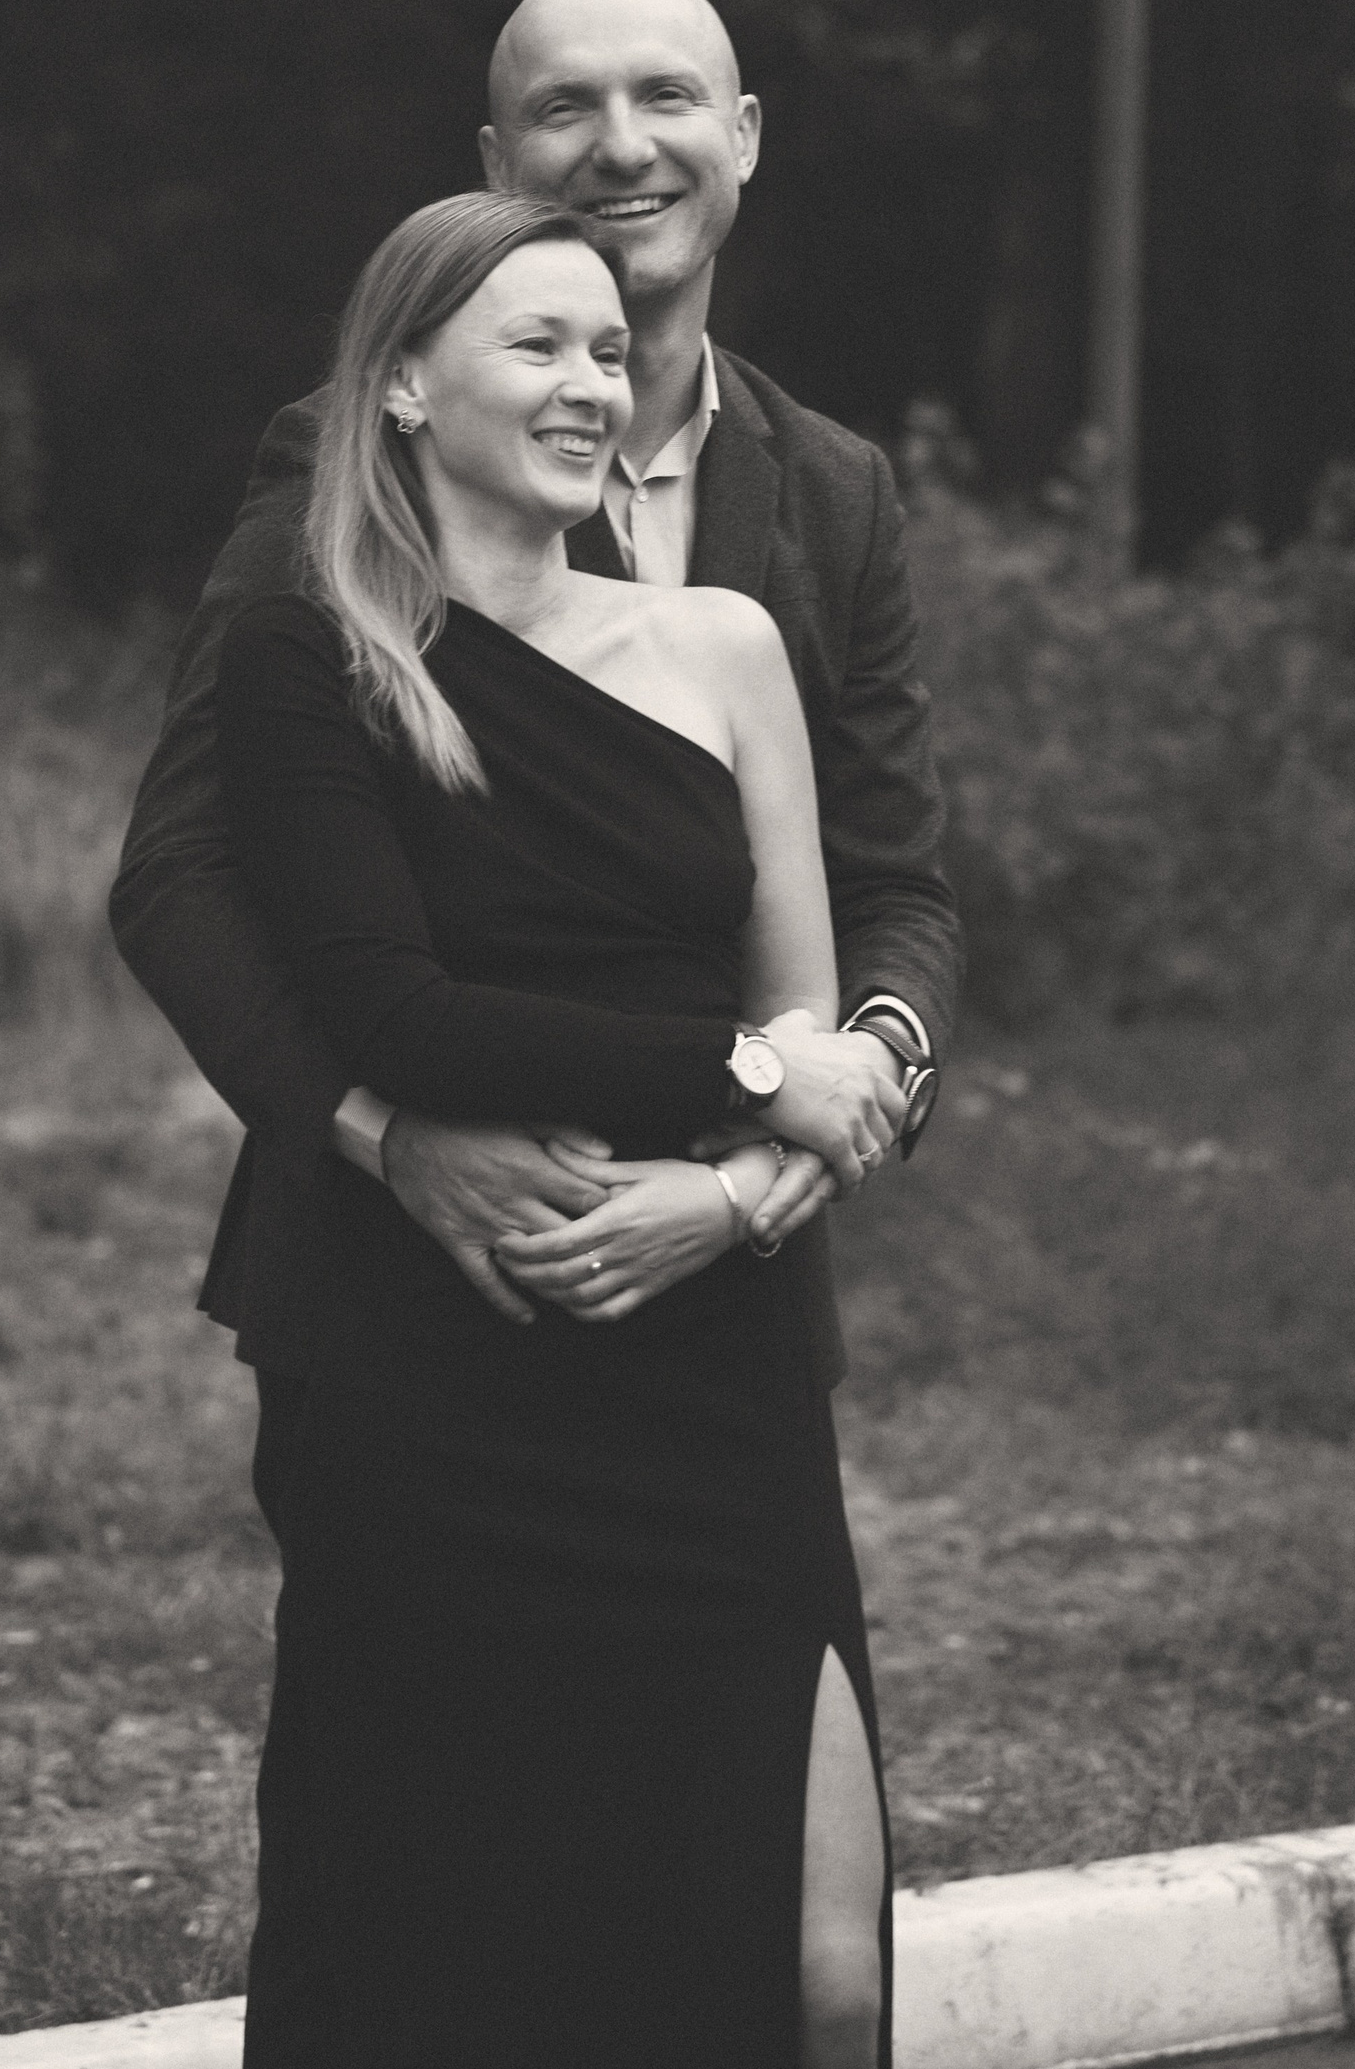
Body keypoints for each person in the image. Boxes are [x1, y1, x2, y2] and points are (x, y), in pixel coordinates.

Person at [216, 189, 905, 2066]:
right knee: (457, 1944)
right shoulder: (312, 651)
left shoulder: (727, 642)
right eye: (536, 343)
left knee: (821, 1967)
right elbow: (399, 1016)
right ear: (402, 385)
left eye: (608, 346)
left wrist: (732, 1201)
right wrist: (752, 1084)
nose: (593, 381)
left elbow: (806, 1006)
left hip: (716, 1368)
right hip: (450, 1359)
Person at [111, 0, 961, 1448]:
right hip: (404, 1282)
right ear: (499, 166)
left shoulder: (835, 492)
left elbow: (891, 887)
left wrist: (797, 1143)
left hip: (725, 1282)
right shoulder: (349, 462)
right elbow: (180, 871)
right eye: (567, 108)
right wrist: (388, 1137)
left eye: (667, 97)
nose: (623, 146)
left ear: (745, 137)